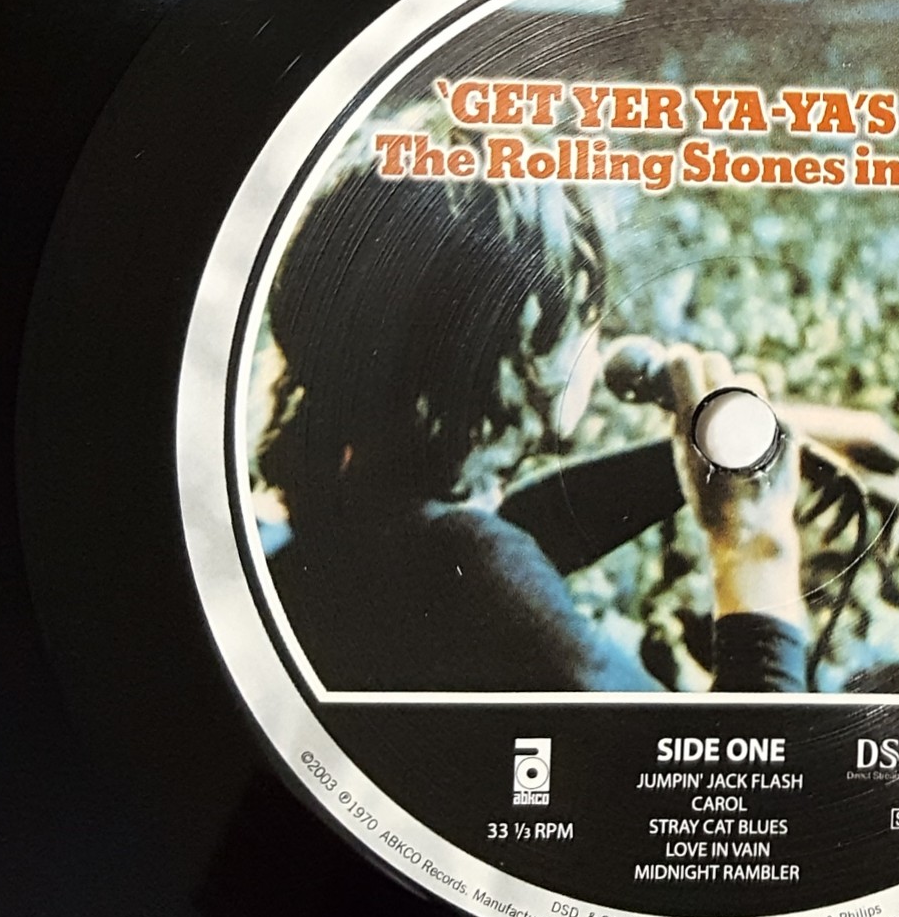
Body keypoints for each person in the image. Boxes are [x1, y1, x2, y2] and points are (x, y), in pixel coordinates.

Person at [254, 166, 808, 692]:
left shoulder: (348, 514)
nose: (599, 333)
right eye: (587, 310)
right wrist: (753, 542)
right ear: (527, 331)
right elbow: (738, 758)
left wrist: (681, 466)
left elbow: (518, 530)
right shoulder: (478, 575)